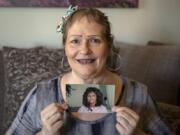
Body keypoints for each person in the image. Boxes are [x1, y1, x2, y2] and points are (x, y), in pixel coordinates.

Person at [6, 6, 172, 135]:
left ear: (109, 46)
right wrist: (45, 133)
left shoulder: (139, 95)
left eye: (94, 40)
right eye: (75, 41)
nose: (84, 50)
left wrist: (137, 134)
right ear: (65, 48)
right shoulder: (42, 95)